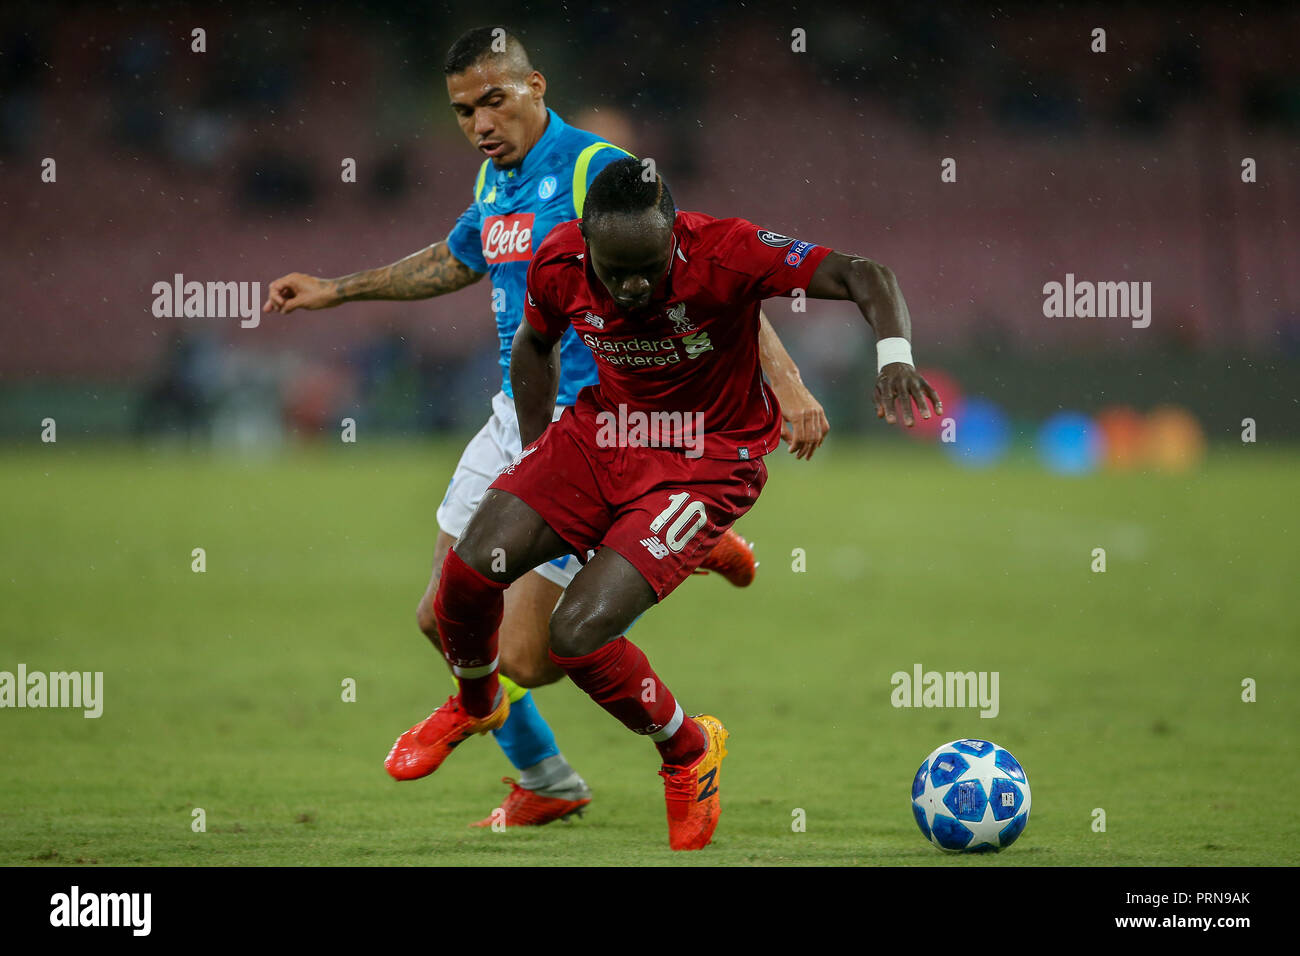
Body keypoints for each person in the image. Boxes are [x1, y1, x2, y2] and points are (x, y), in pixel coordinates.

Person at [263, 27, 829, 826]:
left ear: (535, 86)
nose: (480, 122)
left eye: (494, 100)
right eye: (463, 110)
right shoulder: (497, 182)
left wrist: (790, 382)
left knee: (532, 654)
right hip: (517, 417)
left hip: (608, 428)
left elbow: (708, 282)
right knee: (441, 617)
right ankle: (549, 781)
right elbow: (456, 259)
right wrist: (337, 289)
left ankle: (666, 536)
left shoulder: (595, 167)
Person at [386, 157, 941, 850]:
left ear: (675, 235)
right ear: (586, 243)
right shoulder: (558, 261)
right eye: (616, 272)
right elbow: (534, 343)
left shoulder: (727, 250)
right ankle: (477, 704)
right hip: (601, 438)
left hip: (707, 462)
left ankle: (687, 752)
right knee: (465, 577)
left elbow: (866, 274)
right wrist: (535, 456)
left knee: (574, 635)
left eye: (649, 267)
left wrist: (893, 356)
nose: (635, 286)